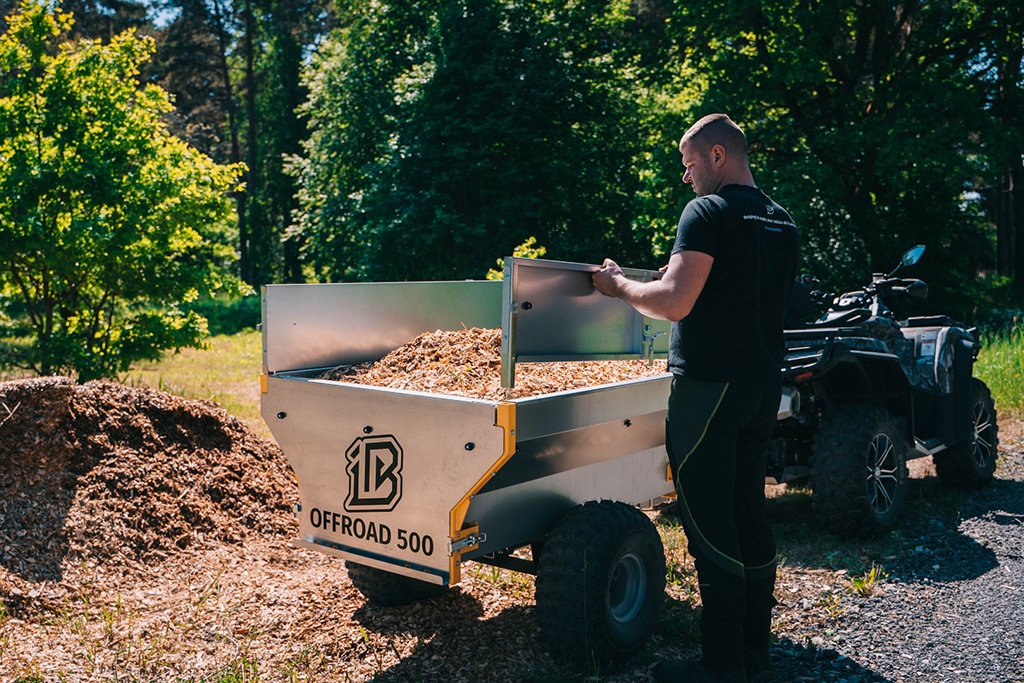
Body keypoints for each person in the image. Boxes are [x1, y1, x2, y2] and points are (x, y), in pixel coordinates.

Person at [592, 114, 799, 683]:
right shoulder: (783, 222)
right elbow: (741, 293)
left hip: (709, 390)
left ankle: (721, 665)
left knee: (709, 524)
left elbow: (675, 303)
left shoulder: (706, 212)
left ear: (715, 155)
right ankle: (755, 655)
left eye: (687, 164)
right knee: (748, 513)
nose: (685, 179)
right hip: (761, 387)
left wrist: (621, 285)